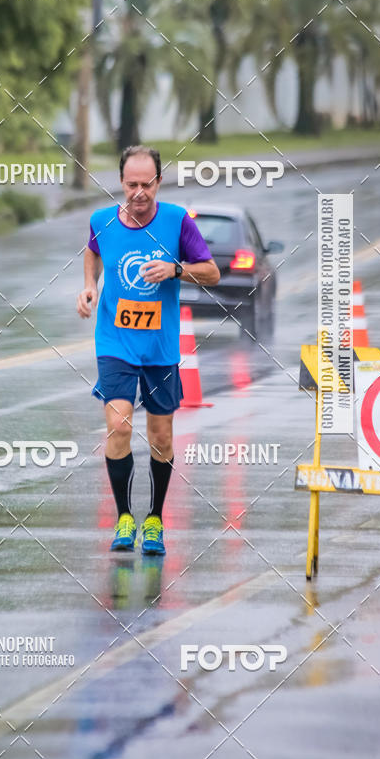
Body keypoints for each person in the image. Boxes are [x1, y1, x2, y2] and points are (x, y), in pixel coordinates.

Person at [76, 145, 219, 555]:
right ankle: (124, 516)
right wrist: (89, 287)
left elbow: (212, 272)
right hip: (115, 342)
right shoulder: (101, 220)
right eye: (131, 184)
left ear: (158, 182)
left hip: (160, 346)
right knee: (119, 425)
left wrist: (176, 269)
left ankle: (154, 519)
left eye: (146, 184)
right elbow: (93, 251)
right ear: (121, 182)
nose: (139, 193)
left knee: (161, 436)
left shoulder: (177, 221)